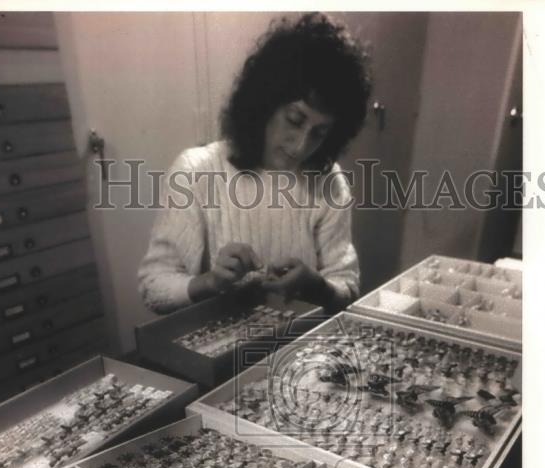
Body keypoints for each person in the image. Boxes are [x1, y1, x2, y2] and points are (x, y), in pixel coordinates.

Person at [138, 13, 372, 315]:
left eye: (319, 133)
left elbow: (347, 286)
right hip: (217, 354)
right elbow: (153, 286)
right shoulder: (195, 172)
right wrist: (211, 282)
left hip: (299, 348)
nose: (300, 145)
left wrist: (317, 286)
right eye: (294, 120)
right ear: (264, 103)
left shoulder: (328, 181)